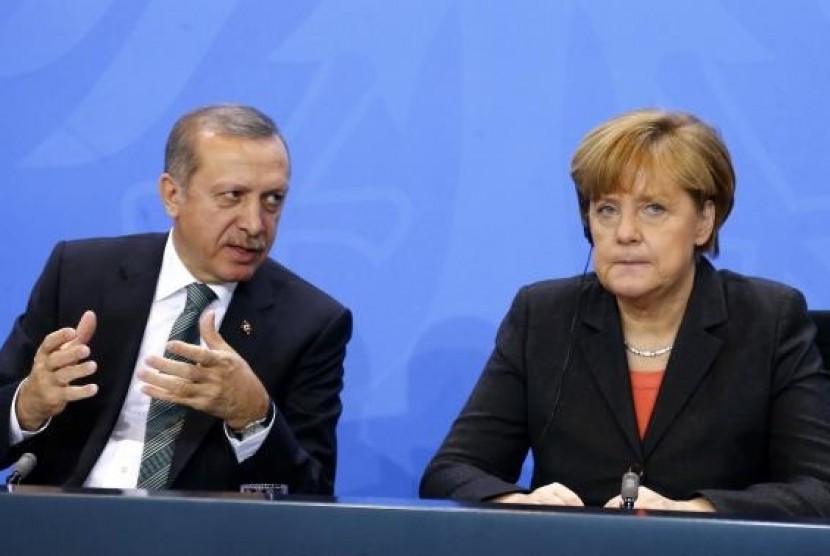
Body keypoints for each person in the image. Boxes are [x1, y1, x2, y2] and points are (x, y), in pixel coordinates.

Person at [420, 108, 830, 516]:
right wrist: (520, 503)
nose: (625, 233)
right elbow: (450, 472)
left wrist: (699, 511)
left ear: (704, 221)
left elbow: (819, 490)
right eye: (607, 210)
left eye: (653, 209)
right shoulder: (543, 317)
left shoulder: (768, 320)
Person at [0, 104, 352, 494]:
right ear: (172, 195)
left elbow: (312, 495)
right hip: (61, 526)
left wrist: (254, 417)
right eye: (232, 196)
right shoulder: (80, 274)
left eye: (272, 199)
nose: (255, 224)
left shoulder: (310, 323)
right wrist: (26, 407)